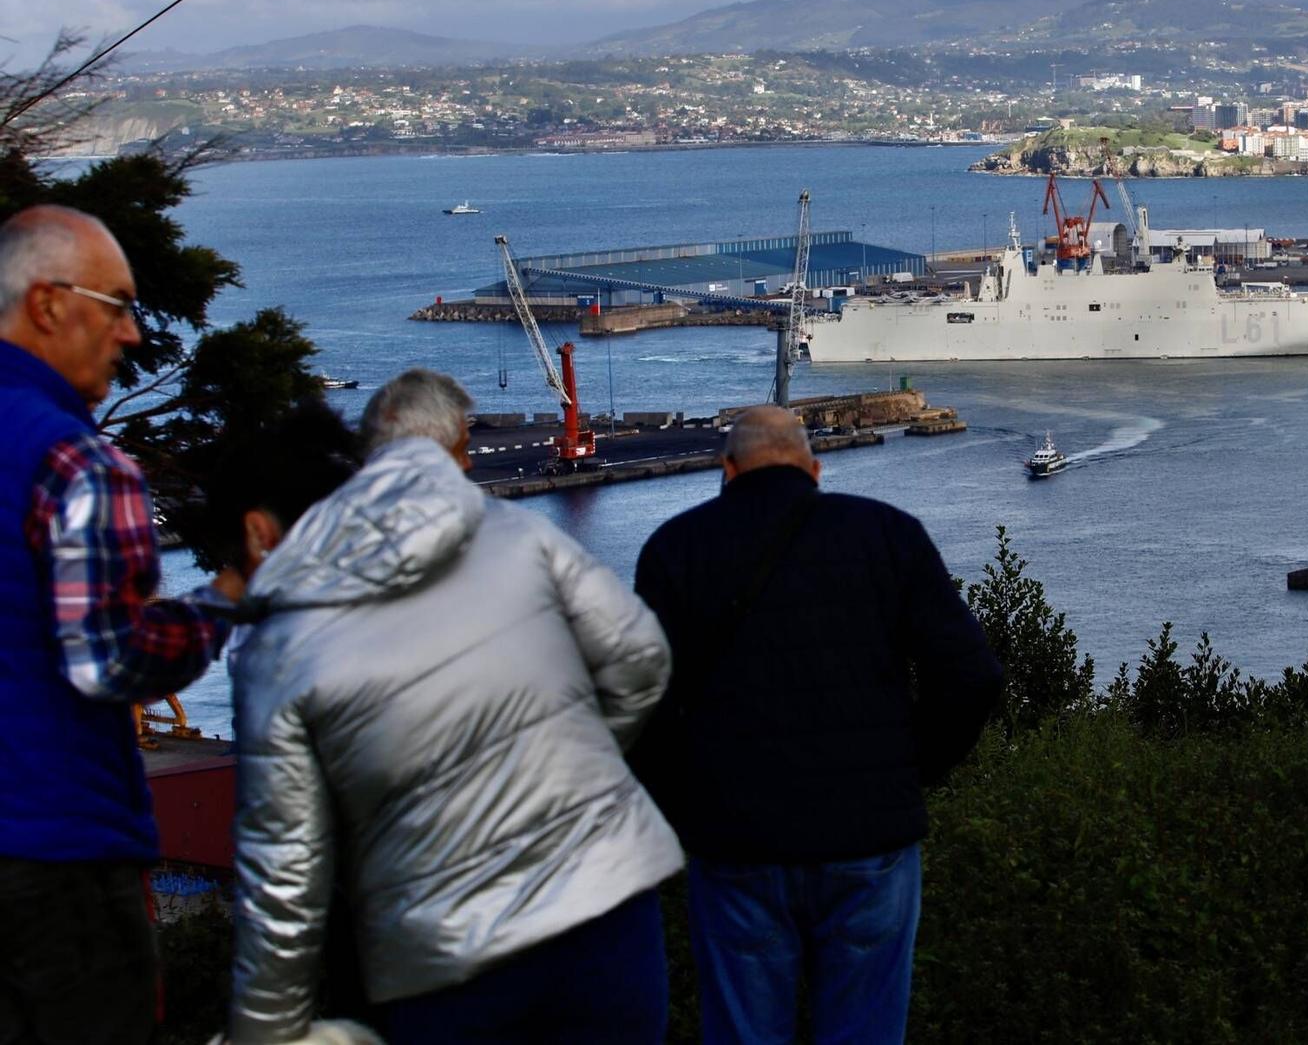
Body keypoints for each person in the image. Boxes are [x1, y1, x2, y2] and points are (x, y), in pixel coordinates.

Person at [228, 369, 682, 1045]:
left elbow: (284, 869)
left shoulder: (279, 639)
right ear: (461, 450)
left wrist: (265, 1029)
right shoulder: (523, 535)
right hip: (603, 902)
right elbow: (642, 658)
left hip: (437, 944)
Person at [631, 404, 1002, 1044]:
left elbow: (641, 704)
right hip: (870, 838)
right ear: (815, 468)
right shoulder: (889, 534)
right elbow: (974, 677)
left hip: (736, 841)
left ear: (727, 468)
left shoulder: (674, 549)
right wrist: (911, 772)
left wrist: (687, 801)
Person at [0, 205, 242, 1044]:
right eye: (116, 304)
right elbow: (109, 661)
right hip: (58, 856)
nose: (134, 333)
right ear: (46, 304)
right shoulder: (78, 462)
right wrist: (229, 595)